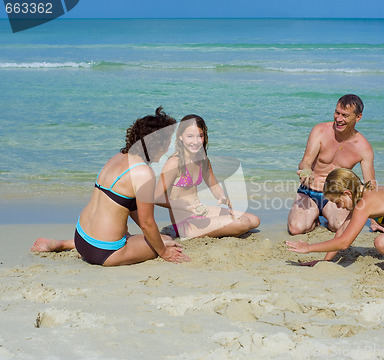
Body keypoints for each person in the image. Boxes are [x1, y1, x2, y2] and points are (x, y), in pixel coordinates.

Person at [31, 107, 191, 266]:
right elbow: (147, 223)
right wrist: (163, 252)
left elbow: (129, 206)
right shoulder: (143, 173)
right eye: (167, 142)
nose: (167, 148)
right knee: (167, 241)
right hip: (104, 252)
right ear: (156, 143)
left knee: (158, 238)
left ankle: (66, 244)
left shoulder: (118, 157)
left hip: (81, 237)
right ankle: (71, 245)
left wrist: (152, 237)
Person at [287, 94, 378, 262]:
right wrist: (306, 171)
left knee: (339, 226)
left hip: (335, 198)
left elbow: (370, 185)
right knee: (296, 228)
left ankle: (324, 218)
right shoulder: (320, 131)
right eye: (337, 113)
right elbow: (305, 161)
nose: (339, 119)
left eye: (345, 115)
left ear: (358, 117)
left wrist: (375, 219)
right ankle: (314, 220)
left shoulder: (363, 147)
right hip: (309, 191)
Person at [156, 114, 260, 239]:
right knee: (243, 223)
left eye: (200, 136)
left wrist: (222, 197)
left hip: (200, 211)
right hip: (184, 223)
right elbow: (156, 197)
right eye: (190, 136)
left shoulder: (203, 161)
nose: (195, 141)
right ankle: (175, 229)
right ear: (180, 137)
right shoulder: (174, 163)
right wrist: (185, 206)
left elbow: (214, 185)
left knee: (254, 220)